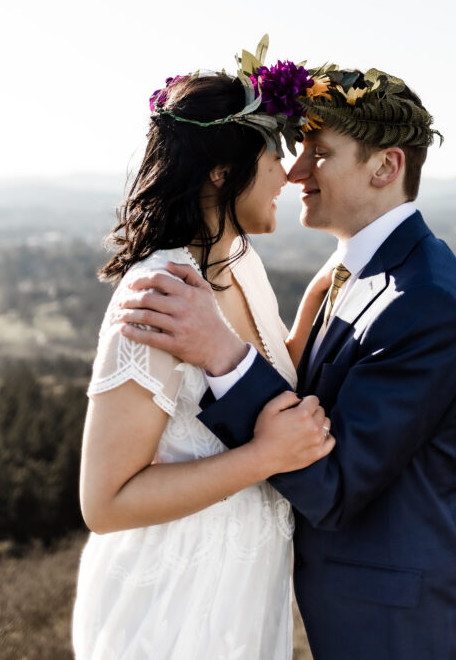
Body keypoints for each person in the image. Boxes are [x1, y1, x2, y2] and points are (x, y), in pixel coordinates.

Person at [119, 64, 456, 660]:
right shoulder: (351, 276)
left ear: (385, 166)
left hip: (413, 631)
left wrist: (222, 352)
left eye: (319, 154)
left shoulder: (426, 301)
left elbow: (334, 485)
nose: (296, 171)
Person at [72, 54, 337, 660]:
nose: (289, 175)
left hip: (244, 595)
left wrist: (316, 311)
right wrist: (264, 457)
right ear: (222, 172)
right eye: (274, 157)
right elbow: (106, 502)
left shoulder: (242, 262)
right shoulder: (160, 294)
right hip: (168, 608)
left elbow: (254, 382)